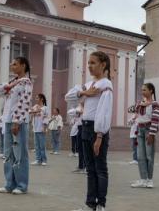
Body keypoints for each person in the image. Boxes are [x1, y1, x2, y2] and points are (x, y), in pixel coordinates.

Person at [68, 51, 113, 211]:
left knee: (100, 168)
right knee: (90, 169)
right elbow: (69, 97)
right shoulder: (88, 85)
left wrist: (100, 135)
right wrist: (84, 92)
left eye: (93, 63)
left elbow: (104, 111)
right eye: (89, 63)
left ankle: (101, 205)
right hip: (85, 127)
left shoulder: (105, 84)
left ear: (103, 64)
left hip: (97, 129)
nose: (90, 66)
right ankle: (90, 205)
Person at [0, 56, 33, 195]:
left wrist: (17, 121)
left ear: (23, 66)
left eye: (15, 64)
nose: (12, 66)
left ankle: (22, 185)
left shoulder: (26, 82)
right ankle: (9, 184)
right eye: (12, 64)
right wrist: (8, 86)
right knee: (8, 154)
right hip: (8, 120)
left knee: (20, 154)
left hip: (18, 122)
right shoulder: (13, 82)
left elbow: (24, 102)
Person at [131, 83, 159, 189]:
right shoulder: (140, 103)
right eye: (142, 90)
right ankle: (143, 179)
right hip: (139, 130)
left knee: (149, 156)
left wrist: (152, 134)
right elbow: (133, 111)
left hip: (149, 130)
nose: (142, 92)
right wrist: (140, 105)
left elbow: (155, 119)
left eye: (144, 90)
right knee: (140, 156)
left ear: (151, 91)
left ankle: (150, 180)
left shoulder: (155, 104)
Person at [30, 94, 48, 166]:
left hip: (41, 128)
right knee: (36, 145)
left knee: (42, 145)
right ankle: (38, 160)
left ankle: (44, 160)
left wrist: (44, 127)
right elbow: (30, 112)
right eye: (36, 98)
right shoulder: (35, 106)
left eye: (37, 98)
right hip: (35, 128)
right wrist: (33, 111)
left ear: (42, 99)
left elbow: (46, 118)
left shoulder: (45, 108)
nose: (36, 99)